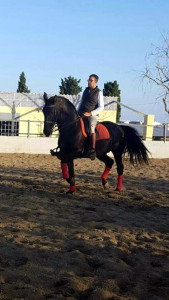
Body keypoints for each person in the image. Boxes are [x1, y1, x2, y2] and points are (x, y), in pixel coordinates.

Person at [78, 74, 104, 160]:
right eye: (88, 80)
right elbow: (81, 102)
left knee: (91, 128)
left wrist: (91, 113)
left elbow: (101, 107)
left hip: (92, 115)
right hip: (81, 113)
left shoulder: (99, 92)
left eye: (91, 80)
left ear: (95, 82)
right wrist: (77, 111)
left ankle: (92, 150)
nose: (88, 82)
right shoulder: (85, 90)